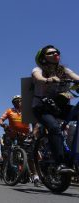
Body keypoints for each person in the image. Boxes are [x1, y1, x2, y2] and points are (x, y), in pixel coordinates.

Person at [32, 45, 79, 173]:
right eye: (50, 52)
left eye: (56, 52)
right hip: (42, 107)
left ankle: (73, 152)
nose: (55, 53)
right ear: (43, 58)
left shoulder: (64, 70)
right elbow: (38, 77)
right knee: (54, 127)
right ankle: (60, 163)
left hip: (59, 107)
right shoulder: (38, 69)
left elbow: (75, 76)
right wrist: (48, 80)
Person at [0, 95, 41, 187]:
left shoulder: (27, 112)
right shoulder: (9, 111)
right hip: (12, 135)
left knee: (30, 157)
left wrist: (33, 133)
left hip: (25, 135)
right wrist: (3, 125)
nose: (19, 102)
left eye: (20, 100)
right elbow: (0, 120)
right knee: (8, 154)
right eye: (16, 101)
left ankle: (36, 177)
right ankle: (10, 173)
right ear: (14, 103)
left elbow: (36, 123)